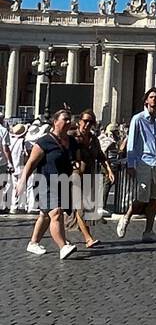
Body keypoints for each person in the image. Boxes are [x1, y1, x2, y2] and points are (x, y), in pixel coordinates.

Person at [15, 107, 79, 258]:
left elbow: (75, 158)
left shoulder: (71, 141)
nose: (69, 122)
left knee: (45, 215)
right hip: (45, 183)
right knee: (56, 213)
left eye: (70, 120)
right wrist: (22, 181)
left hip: (63, 183)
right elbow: (31, 162)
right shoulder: (44, 142)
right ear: (55, 122)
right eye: (65, 119)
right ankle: (63, 247)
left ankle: (33, 243)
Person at [116, 88, 156, 242]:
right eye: (151, 97)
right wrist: (131, 163)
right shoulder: (138, 119)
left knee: (155, 198)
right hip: (143, 162)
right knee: (142, 196)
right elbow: (132, 143)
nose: (154, 100)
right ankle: (126, 217)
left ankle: (148, 230)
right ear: (146, 100)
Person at [68, 110, 112, 247]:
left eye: (90, 122)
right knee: (79, 208)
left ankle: (63, 237)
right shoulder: (71, 136)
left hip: (88, 177)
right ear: (79, 121)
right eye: (85, 121)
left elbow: (101, 156)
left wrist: (109, 171)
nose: (87, 124)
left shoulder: (94, 139)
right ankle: (88, 238)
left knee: (79, 210)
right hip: (73, 176)